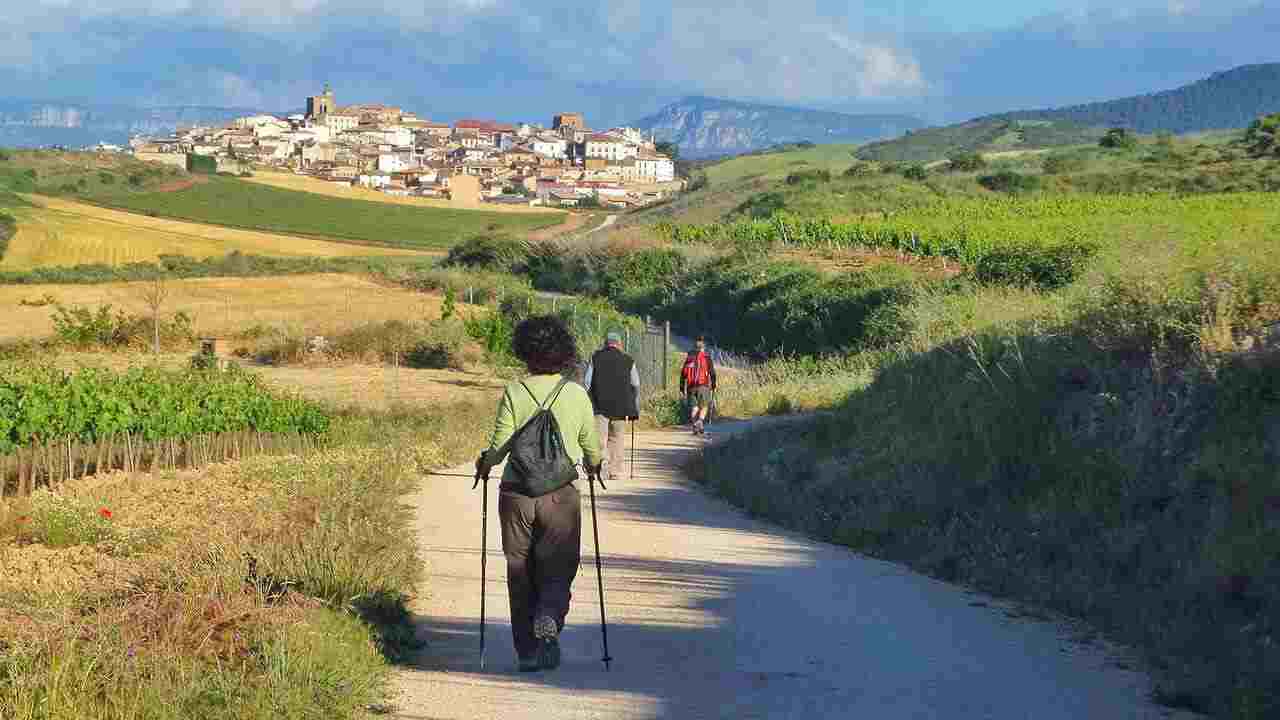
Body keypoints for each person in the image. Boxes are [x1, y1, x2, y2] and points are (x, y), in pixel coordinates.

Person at [475, 315, 603, 673]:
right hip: (560, 495)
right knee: (559, 566)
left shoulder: (515, 391)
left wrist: (484, 464)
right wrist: (594, 464)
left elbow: (499, 446)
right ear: (563, 351)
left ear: (525, 351)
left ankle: (527, 653)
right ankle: (548, 615)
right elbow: (591, 446)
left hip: (517, 494)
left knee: (519, 570)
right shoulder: (575, 393)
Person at [584, 330, 640, 483]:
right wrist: (634, 405)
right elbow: (635, 384)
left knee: (600, 439)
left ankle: (601, 470)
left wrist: (589, 400)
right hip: (621, 408)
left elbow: (587, 383)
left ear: (605, 343)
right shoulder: (628, 360)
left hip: (599, 405)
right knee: (616, 438)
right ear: (620, 344)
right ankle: (614, 471)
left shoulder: (595, 357)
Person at [680, 335, 717, 436]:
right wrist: (713, 385)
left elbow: (683, 374)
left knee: (694, 407)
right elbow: (712, 373)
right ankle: (700, 421)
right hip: (703, 386)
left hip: (691, 386)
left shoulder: (689, 357)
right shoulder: (706, 357)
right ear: (703, 346)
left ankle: (695, 426)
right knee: (704, 406)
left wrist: (682, 388)